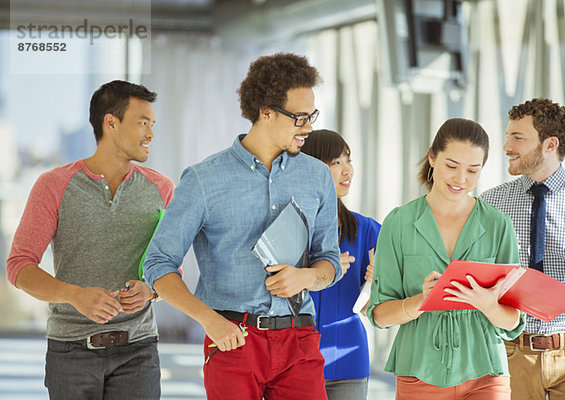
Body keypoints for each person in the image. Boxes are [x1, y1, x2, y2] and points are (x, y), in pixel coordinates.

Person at [142, 53, 342, 400]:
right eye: (300, 118)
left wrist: (305, 277)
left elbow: (330, 262)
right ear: (266, 112)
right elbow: (157, 264)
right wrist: (209, 320)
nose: (309, 127)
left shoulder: (318, 176)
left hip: (300, 340)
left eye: (312, 116)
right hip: (232, 339)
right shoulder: (204, 179)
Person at [6, 80, 173, 399]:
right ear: (111, 123)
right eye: (142, 122)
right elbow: (19, 266)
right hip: (71, 353)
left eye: (153, 124)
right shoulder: (53, 185)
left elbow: (171, 268)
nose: (150, 133)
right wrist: (73, 295)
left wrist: (151, 291)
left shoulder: (162, 189)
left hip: (139, 352)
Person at [367, 118, 526, 399]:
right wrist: (421, 301)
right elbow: (379, 315)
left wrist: (489, 305)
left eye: (472, 170)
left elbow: (513, 321)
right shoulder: (399, 222)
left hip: (486, 372)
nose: (460, 179)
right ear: (432, 157)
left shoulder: (497, 224)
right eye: (451, 166)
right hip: (419, 371)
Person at [479, 98, 565, 400]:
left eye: (517, 137)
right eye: (508, 136)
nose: (507, 146)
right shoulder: (490, 203)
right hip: (509, 351)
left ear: (550, 144)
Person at [301, 129, 381, 400]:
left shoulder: (366, 230)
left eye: (348, 160)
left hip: (349, 360)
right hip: (294, 362)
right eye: (336, 163)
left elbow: (379, 306)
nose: (347, 170)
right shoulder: (288, 228)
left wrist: (375, 282)